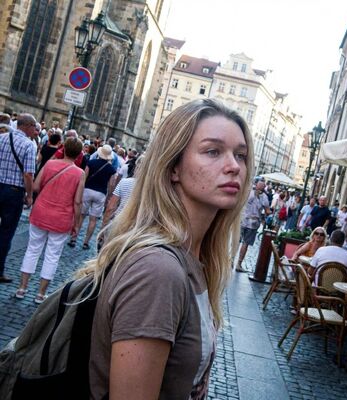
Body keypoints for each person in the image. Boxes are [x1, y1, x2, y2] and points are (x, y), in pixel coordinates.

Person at [71, 99, 254, 399]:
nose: (234, 166)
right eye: (212, 151)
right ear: (173, 167)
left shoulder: (195, 258)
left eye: (241, 155)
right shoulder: (158, 271)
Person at [15, 138, 85, 303]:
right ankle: (40, 294)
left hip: (41, 212)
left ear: (64, 149)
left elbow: (35, 186)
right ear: (79, 154)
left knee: (32, 250)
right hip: (61, 218)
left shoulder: (50, 164)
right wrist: (76, 224)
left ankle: (22, 288)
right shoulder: (79, 173)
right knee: (52, 255)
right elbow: (77, 202)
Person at [0, 113, 36, 283]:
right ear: (27, 126)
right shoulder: (29, 145)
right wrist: (29, 195)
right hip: (13, 192)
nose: (35, 130)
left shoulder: (1, 138)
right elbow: (28, 174)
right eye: (34, 127)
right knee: (6, 232)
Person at [69, 144, 116, 249]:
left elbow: (83, 178)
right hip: (100, 194)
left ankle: (73, 239)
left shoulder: (91, 163)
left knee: (81, 216)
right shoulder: (111, 169)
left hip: (87, 191)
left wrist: (80, 191)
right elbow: (111, 185)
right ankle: (86, 242)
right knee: (93, 220)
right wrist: (108, 197)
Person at [236, 178, 270, 272]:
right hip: (253, 223)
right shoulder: (264, 197)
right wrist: (269, 213)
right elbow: (267, 211)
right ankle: (238, 264)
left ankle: (231, 261)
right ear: (263, 187)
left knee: (237, 241)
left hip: (243, 219)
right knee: (245, 243)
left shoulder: (247, 192)